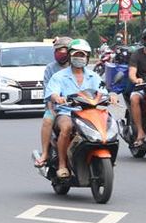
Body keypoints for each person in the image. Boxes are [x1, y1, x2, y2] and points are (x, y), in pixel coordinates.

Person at [45, 39, 117, 179]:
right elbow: (52, 92)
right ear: (70, 56)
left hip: (90, 113)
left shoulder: (93, 76)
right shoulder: (59, 76)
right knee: (66, 128)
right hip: (67, 112)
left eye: (83, 55)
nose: (79, 57)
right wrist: (57, 98)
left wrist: (112, 97)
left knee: (108, 125)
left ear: (87, 57)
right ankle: (62, 165)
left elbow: (104, 91)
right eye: (76, 54)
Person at [34, 36, 72, 168]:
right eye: (58, 51)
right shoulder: (50, 68)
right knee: (48, 119)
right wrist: (52, 108)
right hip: (56, 106)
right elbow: (48, 91)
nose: (61, 54)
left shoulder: (78, 68)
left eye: (64, 51)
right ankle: (44, 153)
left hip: (77, 107)